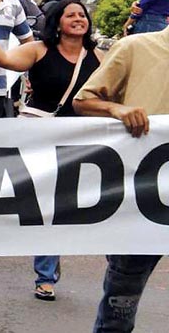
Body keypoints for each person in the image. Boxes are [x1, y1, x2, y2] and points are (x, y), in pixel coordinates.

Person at [0, 0, 102, 301]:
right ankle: (46, 276)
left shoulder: (99, 56)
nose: (78, 19)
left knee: (82, 206)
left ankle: (117, 267)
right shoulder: (39, 50)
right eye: (71, 15)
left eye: (82, 15)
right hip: (41, 138)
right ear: (57, 22)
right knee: (50, 208)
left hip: (83, 141)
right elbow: (4, 61)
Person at [72, 21, 168, 331]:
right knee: (121, 304)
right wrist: (116, 109)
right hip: (142, 202)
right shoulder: (135, 48)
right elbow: (83, 101)